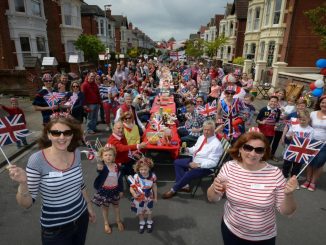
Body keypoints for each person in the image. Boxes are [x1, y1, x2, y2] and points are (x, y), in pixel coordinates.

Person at [8, 115, 96, 245]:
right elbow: (26, 204)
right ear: (48, 135)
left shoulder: (75, 153)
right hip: (56, 229)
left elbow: (80, 184)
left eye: (67, 133)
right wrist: (23, 183)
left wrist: (89, 206)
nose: (62, 137)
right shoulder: (37, 160)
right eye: (56, 133)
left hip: (81, 218)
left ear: (72, 135)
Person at [207, 131, 298, 245]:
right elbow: (212, 199)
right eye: (248, 148)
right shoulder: (229, 167)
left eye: (259, 150)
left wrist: (289, 194)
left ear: (263, 153)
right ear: (240, 149)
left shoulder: (274, 174)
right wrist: (214, 188)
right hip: (230, 230)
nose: (253, 153)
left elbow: (286, 211)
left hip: (262, 237)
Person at [162, 120, 223, 199]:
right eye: (205, 129)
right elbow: (195, 148)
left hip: (205, 167)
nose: (206, 132)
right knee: (177, 162)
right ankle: (184, 185)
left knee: (188, 174)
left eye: (209, 130)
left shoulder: (216, 144)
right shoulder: (202, 137)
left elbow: (213, 162)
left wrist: (198, 165)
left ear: (213, 130)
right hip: (195, 160)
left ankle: (173, 190)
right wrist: (188, 149)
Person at [92, 146, 124, 234]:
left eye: (110, 155)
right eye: (105, 155)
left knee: (116, 206)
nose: (108, 157)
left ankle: (118, 220)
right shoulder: (102, 167)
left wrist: (121, 190)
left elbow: (120, 179)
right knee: (105, 208)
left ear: (114, 157)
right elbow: (99, 170)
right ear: (102, 157)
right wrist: (99, 167)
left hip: (115, 190)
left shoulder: (117, 166)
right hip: (104, 191)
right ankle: (106, 223)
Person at [300, 95, 326, 191]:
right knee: (310, 162)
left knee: (319, 163)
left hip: (324, 144)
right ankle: (307, 180)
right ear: (320, 103)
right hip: (311, 141)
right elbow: (307, 125)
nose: (324, 104)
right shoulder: (313, 113)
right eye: (323, 102)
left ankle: (313, 182)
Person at [282, 110, 314, 180]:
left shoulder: (311, 130)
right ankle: (284, 177)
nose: (302, 121)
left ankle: (293, 179)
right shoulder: (294, 126)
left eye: (304, 120)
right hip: (292, 148)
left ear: (308, 120)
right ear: (298, 119)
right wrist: (290, 136)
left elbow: (310, 141)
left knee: (297, 166)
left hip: (301, 151)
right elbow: (288, 136)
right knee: (287, 164)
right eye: (300, 119)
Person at [129, 157, 158, 234]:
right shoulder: (136, 177)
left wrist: (155, 197)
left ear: (149, 168)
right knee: (140, 211)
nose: (143, 171)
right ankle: (142, 222)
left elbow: (154, 186)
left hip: (149, 196)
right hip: (139, 196)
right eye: (141, 169)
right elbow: (132, 187)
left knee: (149, 210)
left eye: (145, 169)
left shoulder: (153, 176)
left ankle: (149, 221)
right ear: (138, 169)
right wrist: (134, 194)